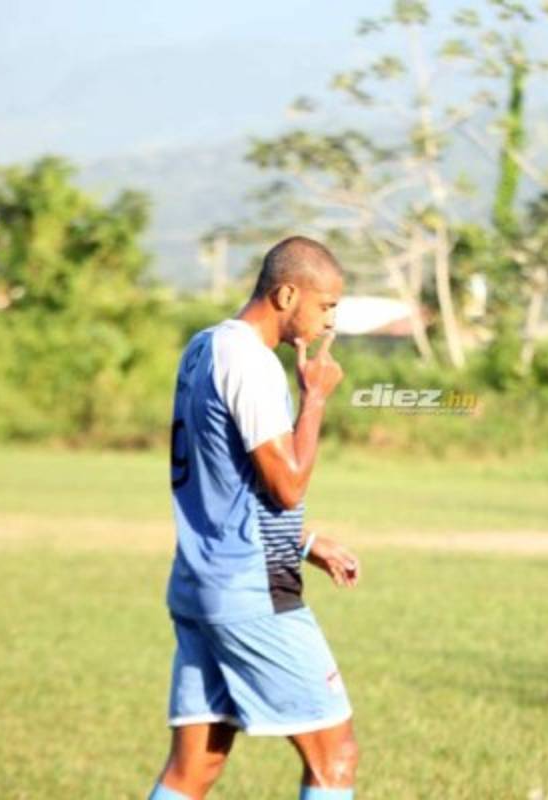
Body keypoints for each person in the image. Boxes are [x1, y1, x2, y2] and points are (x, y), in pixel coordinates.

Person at [148, 236, 361, 800]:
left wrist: (305, 542)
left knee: (194, 771)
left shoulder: (204, 346)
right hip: (251, 592)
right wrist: (315, 398)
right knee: (335, 757)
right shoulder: (251, 361)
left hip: (198, 584)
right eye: (326, 306)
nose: (330, 322)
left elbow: (225, 481)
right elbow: (287, 486)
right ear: (286, 295)